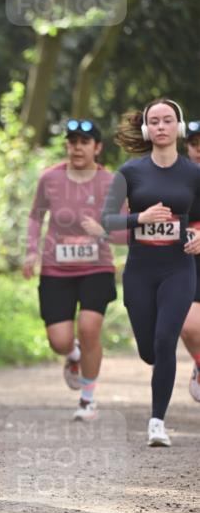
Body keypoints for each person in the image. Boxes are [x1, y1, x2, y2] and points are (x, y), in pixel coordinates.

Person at [101, 99, 200, 446]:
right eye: (154, 121)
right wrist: (138, 219)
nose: (160, 126)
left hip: (179, 270)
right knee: (149, 351)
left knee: (165, 341)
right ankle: (163, 369)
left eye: (167, 120)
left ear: (179, 127)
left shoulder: (194, 174)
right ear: (146, 129)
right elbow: (105, 220)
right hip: (141, 271)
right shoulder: (129, 172)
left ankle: (157, 422)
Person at [23, 119, 125, 420]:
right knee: (59, 341)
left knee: (90, 329)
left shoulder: (112, 182)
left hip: (97, 267)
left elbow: (126, 230)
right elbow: (35, 217)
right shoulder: (50, 178)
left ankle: (87, 399)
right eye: (72, 142)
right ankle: (73, 355)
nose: (77, 148)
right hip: (56, 268)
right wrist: (31, 252)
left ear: (97, 147)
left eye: (84, 142)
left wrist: (103, 231)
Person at [180, 119, 200, 402]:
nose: (199, 151)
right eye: (194, 145)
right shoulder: (177, 176)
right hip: (187, 259)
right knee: (187, 325)